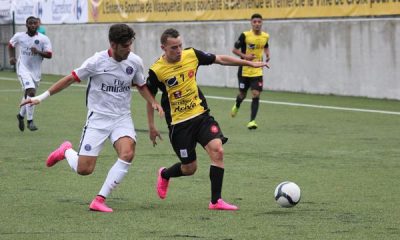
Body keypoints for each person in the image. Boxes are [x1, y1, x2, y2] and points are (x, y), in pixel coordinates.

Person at [21, 24, 164, 212]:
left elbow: (141, 84)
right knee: (84, 170)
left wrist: (153, 101)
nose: (129, 50)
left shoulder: (134, 61)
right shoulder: (96, 62)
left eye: (130, 45)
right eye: (125, 46)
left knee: (128, 153)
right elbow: (70, 79)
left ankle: (99, 200)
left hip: (122, 118)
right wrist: (41, 97)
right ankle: (66, 151)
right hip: (98, 119)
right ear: (113, 44)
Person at [146, 28, 269, 211]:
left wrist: (248, 64)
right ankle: (165, 174)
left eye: (180, 45)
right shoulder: (156, 70)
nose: (179, 50)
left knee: (218, 151)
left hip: (201, 116)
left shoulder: (191, 55)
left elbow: (220, 59)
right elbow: (149, 97)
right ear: (163, 47)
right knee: (190, 168)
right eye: (173, 48)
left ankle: (216, 201)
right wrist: (151, 126)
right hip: (179, 124)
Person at [8, 16, 52, 131]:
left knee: (29, 93)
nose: (33, 25)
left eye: (35, 23)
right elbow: (11, 45)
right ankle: (30, 121)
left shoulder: (44, 39)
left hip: (36, 71)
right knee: (31, 92)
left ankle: (20, 116)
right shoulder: (19, 36)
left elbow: (49, 55)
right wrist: (12, 57)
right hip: (22, 67)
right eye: (30, 23)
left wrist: (37, 51)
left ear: (38, 25)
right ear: (26, 25)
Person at [231, 13, 270, 130]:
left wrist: (267, 54)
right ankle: (237, 104)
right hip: (244, 69)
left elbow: (266, 46)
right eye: (255, 22)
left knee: (256, 94)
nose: (257, 24)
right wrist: (245, 56)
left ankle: (252, 121)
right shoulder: (245, 35)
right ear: (251, 23)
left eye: (259, 22)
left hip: (257, 70)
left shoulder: (265, 36)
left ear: (262, 22)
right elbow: (234, 50)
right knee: (242, 94)